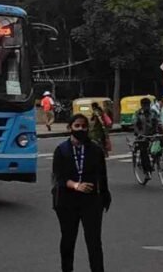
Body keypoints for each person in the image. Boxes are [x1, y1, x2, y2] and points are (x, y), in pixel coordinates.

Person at [51, 114, 111, 272]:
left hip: (91, 202)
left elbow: (102, 175)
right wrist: (76, 185)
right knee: (68, 240)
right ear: (70, 128)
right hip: (67, 202)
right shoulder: (61, 150)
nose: (81, 129)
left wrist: (105, 196)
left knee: (94, 242)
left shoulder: (95, 150)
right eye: (77, 126)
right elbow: (59, 178)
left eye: (84, 126)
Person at [133, 97, 163, 178]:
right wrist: (139, 133)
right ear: (142, 105)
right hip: (142, 135)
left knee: (159, 145)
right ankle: (146, 171)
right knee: (143, 152)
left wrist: (162, 131)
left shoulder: (153, 113)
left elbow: (158, 122)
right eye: (145, 105)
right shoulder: (138, 113)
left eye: (148, 105)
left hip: (152, 133)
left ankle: (157, 159)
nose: (147, 107)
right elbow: (135, 125)